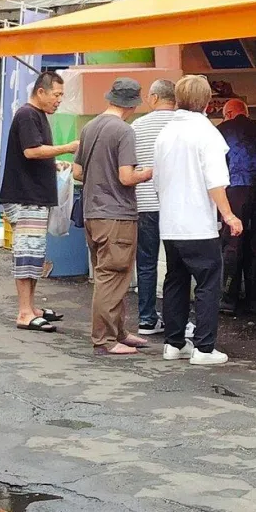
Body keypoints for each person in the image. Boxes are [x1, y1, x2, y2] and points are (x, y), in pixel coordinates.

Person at [154, 75, 243, 366]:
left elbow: (157, 180)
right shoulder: (207, 133)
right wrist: (229, 215)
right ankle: (204, 348)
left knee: (175, 280)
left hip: (170, 223)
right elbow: (215, 181)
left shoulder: (165, 133)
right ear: (207, 102)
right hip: (198, 223)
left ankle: (174, 343)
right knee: (207, 283)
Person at [73, 78, 153, 357]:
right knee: (113, 276)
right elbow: (126, 177)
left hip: (92, 212)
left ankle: (118, 331)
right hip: (117, 214)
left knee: (107, 275)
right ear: (132, 104)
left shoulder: (90, 127)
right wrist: (148, 173)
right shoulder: (124, 130)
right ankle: (105, 340)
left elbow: (77, 172)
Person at [0, 71, 79, 333]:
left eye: (62, 95)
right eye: (56, 95)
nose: (59, 100)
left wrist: (54, 163)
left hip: (35, 195)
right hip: (25, 196)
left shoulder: (38, 115)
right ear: (41, 92)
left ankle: (31, 307)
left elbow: (35, 154)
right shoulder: (27, 114)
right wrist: (67, 147)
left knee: (35, 253)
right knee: (26, 252)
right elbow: (31, 151)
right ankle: (24, 312)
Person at [217, 99, 256, 315]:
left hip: (235, 189)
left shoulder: (221, 130)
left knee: (233, 242)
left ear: (230, 113)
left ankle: (228, 299)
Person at [132, 78, 177, 336]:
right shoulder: (182, 124)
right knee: (177, 264)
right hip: (174, 204)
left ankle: (147, 319)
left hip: (145, 202)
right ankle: (177, 318)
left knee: (146, 262)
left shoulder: (137, 126)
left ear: (155, 98)